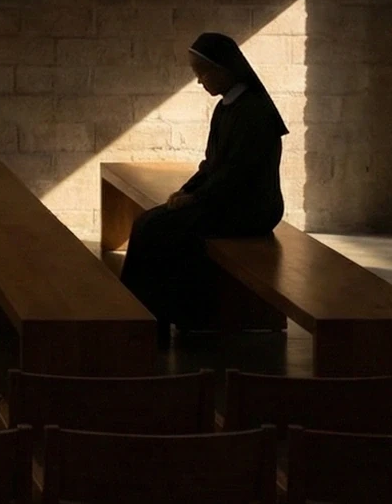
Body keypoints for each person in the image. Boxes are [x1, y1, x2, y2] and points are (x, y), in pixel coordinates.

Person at [119, 32, 288, 342]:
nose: (199, 81)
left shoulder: (253, 112)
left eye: (202, 73)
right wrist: (188, 190)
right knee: (147, 223)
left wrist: (197, 198)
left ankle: (151, 324)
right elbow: (211, 164)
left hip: (251, 208)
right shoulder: (227, 107)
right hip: (225, 199)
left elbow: (239, 174)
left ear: (224, 70)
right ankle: (140, 319)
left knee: (157, 229)